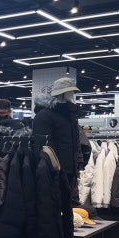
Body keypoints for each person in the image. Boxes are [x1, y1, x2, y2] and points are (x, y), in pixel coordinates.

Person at [33, 77, 84, 205]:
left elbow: (75, 140)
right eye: (69, 91)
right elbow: (42, 146)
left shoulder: (70, 115)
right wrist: (50, 167)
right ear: (61, 93)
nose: (72, 94)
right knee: (53, 204)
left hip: (70, 170)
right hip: (53, 171)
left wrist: (79, 162)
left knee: (68, 204)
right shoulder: (44, 115)